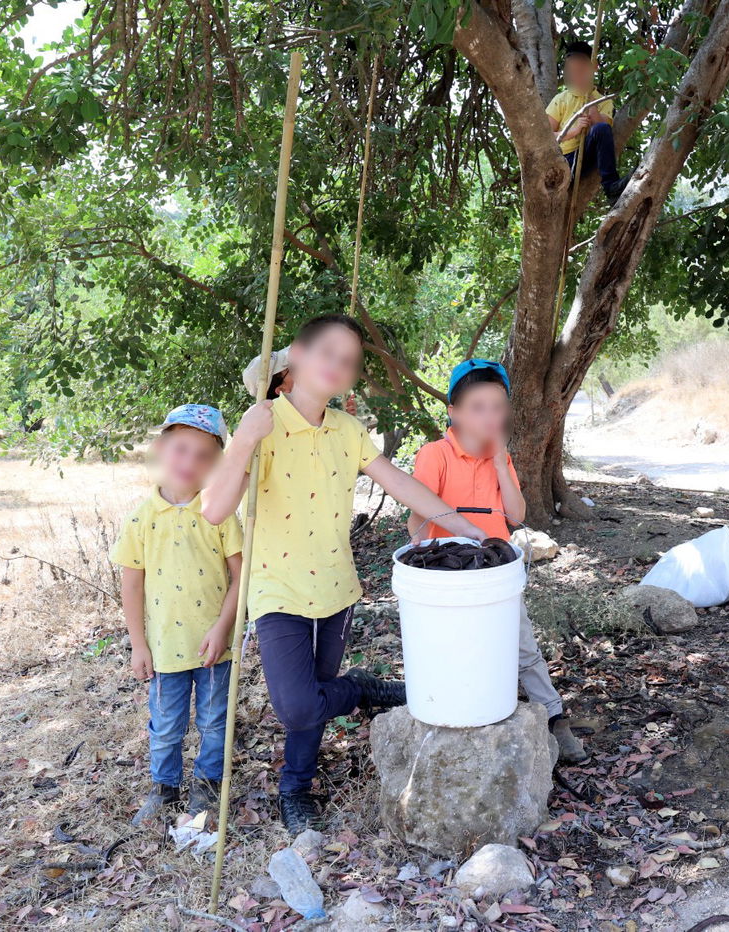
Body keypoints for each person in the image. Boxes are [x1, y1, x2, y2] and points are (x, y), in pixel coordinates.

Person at [202, 314, 488, 834]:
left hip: (336, 586)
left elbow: (400, 483)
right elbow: (215, 511)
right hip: (276, 589)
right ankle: (359, 691)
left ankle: (297, 786)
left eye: (350, 360)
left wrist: (463, 527)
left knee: (312, 698)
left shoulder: (349, 430)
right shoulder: (262, 425)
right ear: (296, 356)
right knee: (296, 706)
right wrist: (243, 439)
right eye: (327, 351)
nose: (338, 364)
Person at [406, 359, 588, 763]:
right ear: (453, 412)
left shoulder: (499, 457)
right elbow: (417, 518)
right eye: (476, 406)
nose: (489, 416)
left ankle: (554, 715)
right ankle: (457, 707)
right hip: (448, 574)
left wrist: (501, 459)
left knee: (520, 643)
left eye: (497, 406)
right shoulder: (435, 455)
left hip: (496, 568)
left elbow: (515, 514)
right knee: (455, 647)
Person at [111, 404, 245, 826]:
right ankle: (163, 787)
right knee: (166, 724)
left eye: (205, 455)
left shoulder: (219, 514)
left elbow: (242, 576)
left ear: (218, 463)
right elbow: (131, 585)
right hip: (165, 648)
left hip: (213, 647)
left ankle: (205, 790)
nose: (190, 463)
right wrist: (138, 644)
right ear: (161, 448)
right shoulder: (140, 519)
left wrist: (223, 628)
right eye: (181, 449)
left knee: (213, 722)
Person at [546, 40, 629, 206]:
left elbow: (603, 130)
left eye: (582, 70)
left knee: (602, 128)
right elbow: (545, 137)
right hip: (563, 161)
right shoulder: (561, 99)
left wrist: (591, 104)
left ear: (592, 69)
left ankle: (611, 186)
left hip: (586, 155)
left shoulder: (603, 101)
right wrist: (575, 131)